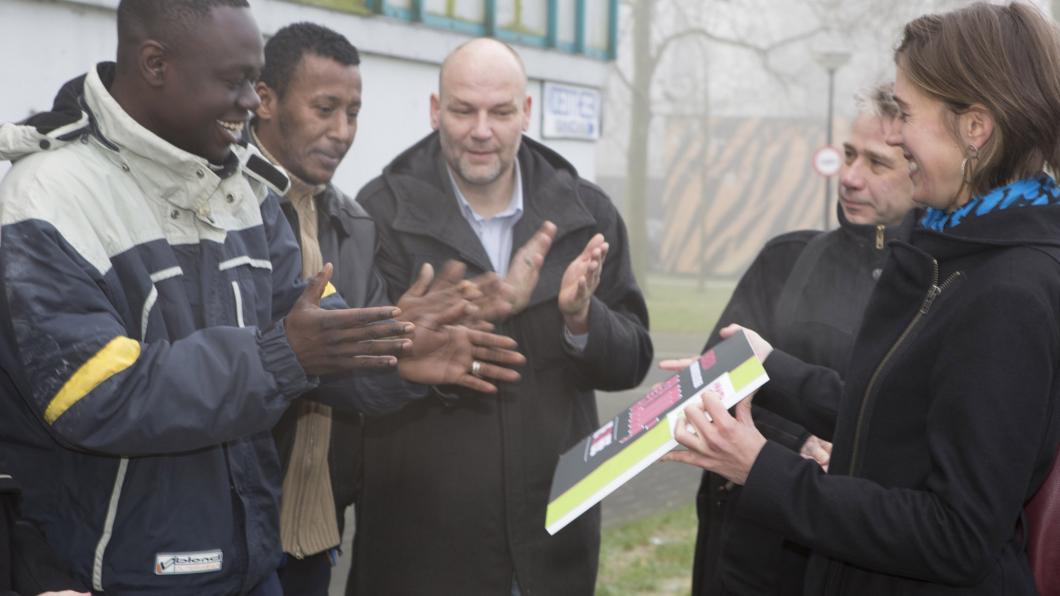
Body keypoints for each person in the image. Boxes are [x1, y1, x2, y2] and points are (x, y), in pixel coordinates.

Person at [0, 2, 521, 594]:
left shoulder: (243, 190)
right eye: (235, 80)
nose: (252, 101)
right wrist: (282, 356)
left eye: (255, 80)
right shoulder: (45, 198)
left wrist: (395, 353)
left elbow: (306, 338)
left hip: (250, 567)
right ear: (154, 64)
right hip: (107, 577)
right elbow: (95, 395)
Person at [666, 3, 1060, 595]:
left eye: (905, 113)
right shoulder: (954, 253)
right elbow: (896, 421)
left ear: (974, 128)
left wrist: (762, 467)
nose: (894, 133)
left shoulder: (1011, 290)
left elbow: (955, 534)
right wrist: (770, 366)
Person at [349, 38, 653, 595]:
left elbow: (632, 361)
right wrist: (418, 338)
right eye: (463, 110)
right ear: (436, 110)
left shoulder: (585, 214)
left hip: (552, 544)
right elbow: (351, 374)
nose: (481, 130)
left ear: (527, 113)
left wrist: (582, 321)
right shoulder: (378, 214)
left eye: (501, 111)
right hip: (422, 546)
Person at [250, 22, 523, 595]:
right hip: (229, 525)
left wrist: (404, 355)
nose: (341, 131)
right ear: (264, 99)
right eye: (324, 108)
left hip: (314, 529)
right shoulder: (225, 211)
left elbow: (359, 377)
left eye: (352, 112)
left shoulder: (352, 223)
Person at [663, 84, 915, 596]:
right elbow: (709, 384)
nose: (849, 177)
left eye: (876, 163)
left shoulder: (936, 289)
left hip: (862, 563)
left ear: (920, 168)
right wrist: (794, 443)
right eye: (848, 154)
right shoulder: (787, 259)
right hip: (747, 555)